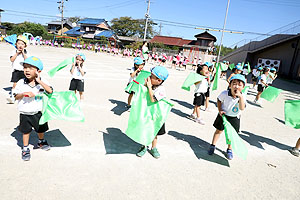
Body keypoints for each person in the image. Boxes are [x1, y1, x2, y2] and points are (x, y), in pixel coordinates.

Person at [13, 56, 53, 161]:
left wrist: (40, 82)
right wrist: (23, 94)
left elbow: (50, 91)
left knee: (41, 129)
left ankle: (41, 141)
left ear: (38, 71)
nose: (27, 70)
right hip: (25, 112)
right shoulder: (21, 82)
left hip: (38, 112)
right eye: (25, 67)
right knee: (25, 132)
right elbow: (15, 96)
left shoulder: (42, 82)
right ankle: (25, 148)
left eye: (30, 68)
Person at [208, 74, 246, 160]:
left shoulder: (243, 96)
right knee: (218, 131)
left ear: (243, 87)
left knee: (231, 135)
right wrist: (220, 110)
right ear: (230, 85)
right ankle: (213, 145)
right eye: (234, 84)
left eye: (239, 85)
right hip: (223, 116)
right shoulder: (225, 93)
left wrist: (240, 97)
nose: (236, 86)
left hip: (234, 118)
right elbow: (219, 100)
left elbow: (242, 108)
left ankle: (229, 149)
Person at [136, 66, 169, 159]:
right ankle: (144, 146)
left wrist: (149, 87)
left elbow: (153, 99)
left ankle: (154, 148)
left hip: (156, 115)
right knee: (145, 130)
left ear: (159, 80)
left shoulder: (161, 89)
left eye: (152, 76)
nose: (150, 77)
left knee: (154, 133)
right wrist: (146, 85)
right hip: (147, 113)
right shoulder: (152, 85)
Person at [7, 35, 29, 104]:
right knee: (15, 85)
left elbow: (27, 61)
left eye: (22, 44)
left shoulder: (26, 52)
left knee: (24, 85)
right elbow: (11, 59)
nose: (20, 45)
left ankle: (23, 97)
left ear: (25, 46)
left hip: (24, 71)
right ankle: (13, 97)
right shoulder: (14, 52)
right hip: (16, 71)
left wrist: (23, 53)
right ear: (16, 44)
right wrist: (17, 53)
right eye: (19, 43)